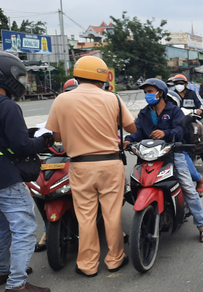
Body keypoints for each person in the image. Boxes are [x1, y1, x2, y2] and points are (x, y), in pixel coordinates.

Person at [46, 56, 137, 277]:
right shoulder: (113, 99)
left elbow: (56, 135)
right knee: (112, 213)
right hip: (110, 164)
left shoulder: (62, 99)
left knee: (85, 215)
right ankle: (115, 259)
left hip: (80, 166)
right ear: (103, 76)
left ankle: (87, 264)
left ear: (77, 75)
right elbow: (131, 128)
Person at [124, 78, 203, 242]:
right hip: (148, 155)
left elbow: (180, 129)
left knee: (188, 189)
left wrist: (166, 133)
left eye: (149, 92)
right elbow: (137, 131)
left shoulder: (174, 111)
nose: (147, 95)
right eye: (145, 92)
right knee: (132, 184)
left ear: (160, 93)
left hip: (172, 154)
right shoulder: (144, 113)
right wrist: (129, 139)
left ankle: (202, 225)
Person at [0, 52, 52, 292]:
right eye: (18, 76)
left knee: (1, 228)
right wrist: (43, 141)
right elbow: (21, 146)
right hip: (7, 177)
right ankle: (16, 284)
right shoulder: (8, 106)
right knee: (24, 229)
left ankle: (3, 272)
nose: (21, 82)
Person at [173, 74, 203, 172]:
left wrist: (199, 110)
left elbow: (202, 106)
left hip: (192, 118)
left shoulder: (192, 94)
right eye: (176, 84)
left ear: (185, 84)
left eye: (181, 83)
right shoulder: (172, 95)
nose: (179, 85)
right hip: (177, 120)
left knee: (199, 134)